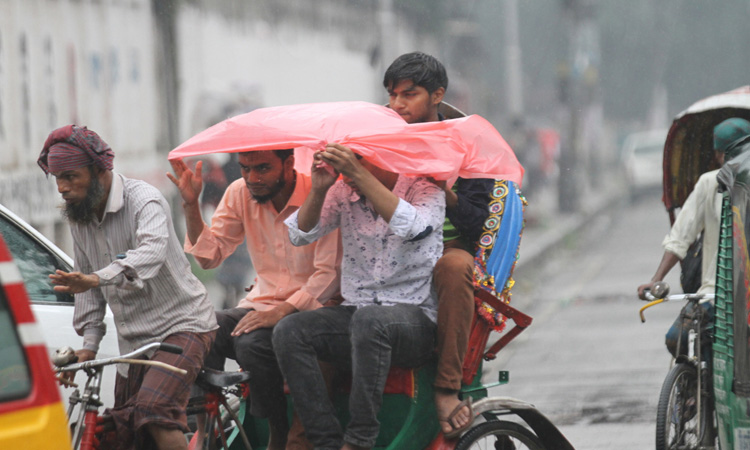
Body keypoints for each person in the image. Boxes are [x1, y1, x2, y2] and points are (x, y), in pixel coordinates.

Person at [38, 124, 218, 450]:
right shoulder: (79, 217)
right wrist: (88, 346)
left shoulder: (145, 201)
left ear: (99, 170)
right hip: (134, 340)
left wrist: (96, 277)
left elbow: (148, 255)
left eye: (71, 177)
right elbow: (86, 284)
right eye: (57, 179)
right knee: (122, 434)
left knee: (153, 411)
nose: (62, 187)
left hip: (183, 326)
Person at [273, 143, 445, 450]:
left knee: (371, 321)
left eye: (359, 159)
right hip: (358, 314)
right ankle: (325, 441)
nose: (348, 169)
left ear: (384, 154)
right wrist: (320, 188)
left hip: (412, 320)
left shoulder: (424, 189)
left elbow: (413, 228)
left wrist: (358, 173)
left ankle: (359, 439)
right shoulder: (342, 192)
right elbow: (299, 234)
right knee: (290, 330)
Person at [168, 149, 341, 450]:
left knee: (252, 344)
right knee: (201, 326)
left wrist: (281, 312)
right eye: (246, 169)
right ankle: (205, 430)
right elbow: (209, 257)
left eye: (263, 169)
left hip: (314, 309)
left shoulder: (320, 193)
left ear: (288, 164)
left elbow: (328, 275)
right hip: (263, 302)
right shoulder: (239, 191)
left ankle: (276, 428)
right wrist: (190, 204)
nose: (252, 178)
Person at [383, 51, 496, 437]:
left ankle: (447, 388)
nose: (397, 105)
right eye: (392, 95)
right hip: (389, 248)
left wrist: (444, 191)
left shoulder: (469, 142)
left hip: (447, 249)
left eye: (408, 95)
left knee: (455, 267)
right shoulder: (380, 135)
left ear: (437, 95)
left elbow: (479, 222)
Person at [638, 117, 750, 357]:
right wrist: (656, 279)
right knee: (678, 340)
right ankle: (697, 388)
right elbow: (681, 236)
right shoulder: (709, 183)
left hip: (737, 296)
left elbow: (680, 238)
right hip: (714, 293)